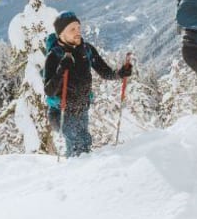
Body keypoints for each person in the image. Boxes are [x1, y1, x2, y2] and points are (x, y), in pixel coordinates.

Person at [42, 11, 133, 156]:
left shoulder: (87, 49)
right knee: (77, 147)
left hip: (81, 108)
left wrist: (120, 73)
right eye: (72, 29)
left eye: (78, 27)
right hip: (61, 111)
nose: (78, 32)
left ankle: (83, 174)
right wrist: (61, 70)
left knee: (85, 142)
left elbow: (105, 72)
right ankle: (75, 174)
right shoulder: (54, 55)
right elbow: (49, 90)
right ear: (61, 34)